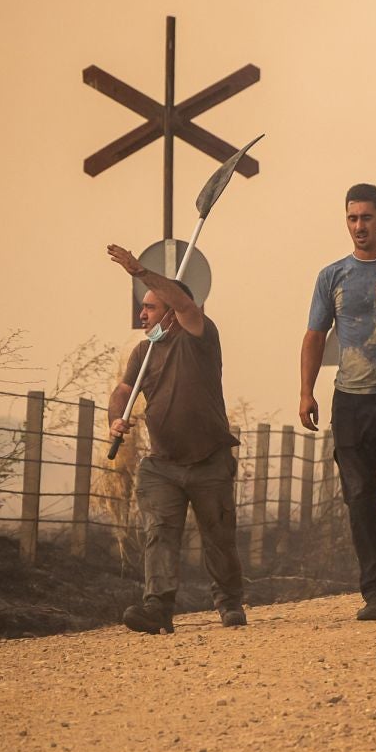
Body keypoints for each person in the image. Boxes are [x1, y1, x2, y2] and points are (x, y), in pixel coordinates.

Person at [104, 244, 245, 632]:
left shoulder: (198, 333)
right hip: (163, 463)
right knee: (160, 533)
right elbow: (122, 390)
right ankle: (158, 609)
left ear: (168, 307)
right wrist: (116, 419)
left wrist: (139, 270)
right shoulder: (144, 350)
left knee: (218, 536)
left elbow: (186, 306)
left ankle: (230, 602)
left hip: (209, 457)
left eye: (149, 307)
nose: (142, 314)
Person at [299, 183, 376, 621]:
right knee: (359, 496)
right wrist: (305, 391)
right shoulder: (332, 276)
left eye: (367, 218)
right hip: (349, 400)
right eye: (352, 219)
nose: (359, 227)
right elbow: (315, 336)